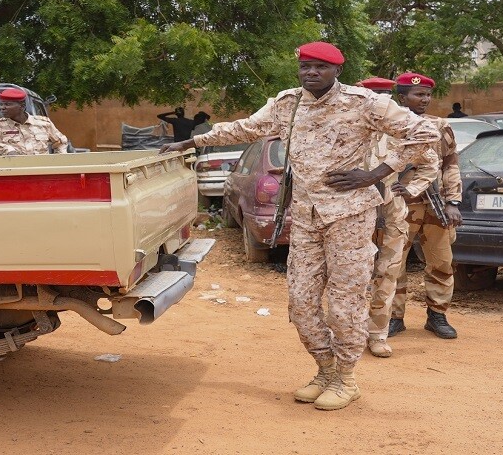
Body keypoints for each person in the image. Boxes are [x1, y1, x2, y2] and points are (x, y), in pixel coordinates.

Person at [160, 42, 439, 410]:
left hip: (350, 217)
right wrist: (192, 140)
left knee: (345, 305)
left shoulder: (364, 102)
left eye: (321, 67)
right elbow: (245, 128)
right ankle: (324, 370)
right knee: (301, 304)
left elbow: (424, 134)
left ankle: (346, 378)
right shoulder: (286, 104)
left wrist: (374, 173)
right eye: (306, 66)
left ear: (337, 70)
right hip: (305, 218)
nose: (311, 73)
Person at [361, 76, 440, 358]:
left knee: (388, 271)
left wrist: (410, 189)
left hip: (392, 210)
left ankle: (378, 334)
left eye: (385, 95)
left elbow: (430, 164)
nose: (380, 100)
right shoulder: (348, 125)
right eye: (374, 95)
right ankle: (350, 332)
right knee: (353, 275)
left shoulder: (403, 127)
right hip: (355, 212)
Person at [387, 73, 463, 340]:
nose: (425, 100)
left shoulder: (440, 126)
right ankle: (394, 317)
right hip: (400, 206)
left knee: (441, 262)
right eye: (418, 95)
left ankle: (437, 315)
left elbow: (450, 165)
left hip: (435, 205)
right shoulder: (388, 125)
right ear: (401, 97)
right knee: (393, 264)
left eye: (428, 95)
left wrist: (453, 202)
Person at [0, 88, 70, 155]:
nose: (2, 108)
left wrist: (57, 162)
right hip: (13, 173)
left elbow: (61, 142)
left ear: (22, 106)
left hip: (41, 173)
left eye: (7, 104)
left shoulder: (43, 123)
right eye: (1, 104)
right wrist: (6, 149)